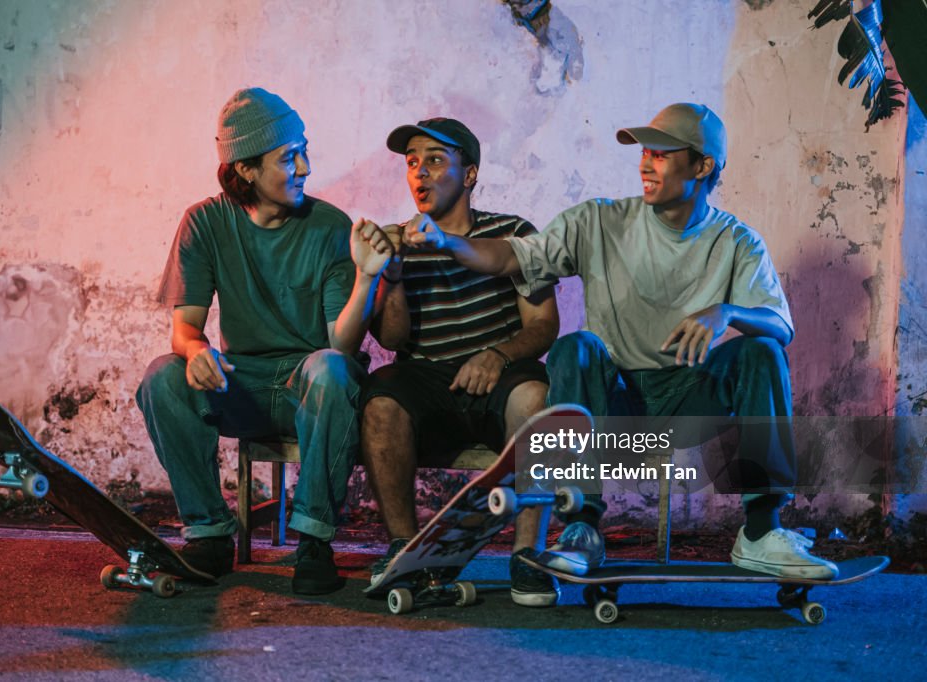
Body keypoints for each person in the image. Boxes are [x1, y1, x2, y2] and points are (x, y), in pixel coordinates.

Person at [405, 103, 838, 580]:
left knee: (761, 349)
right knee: (576, 348)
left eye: (661, 154)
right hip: (615, 403)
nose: (645, 164)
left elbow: (781, 326)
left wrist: (728, 312)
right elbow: (511, 258)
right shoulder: (598, 221)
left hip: (690, 398)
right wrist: (449, 244)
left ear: (702, 166)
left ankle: (759, 531)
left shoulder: (736, 241)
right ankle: (581, 529)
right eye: (643, 153)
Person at [136, 87, 394, 594]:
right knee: (162, 376)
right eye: (288, 157)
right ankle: (210, 533)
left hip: (308, 385)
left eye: (304, 150)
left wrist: (366, 279)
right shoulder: (205, 223)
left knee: (331, 369)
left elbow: (338, 347)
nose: (304, 167)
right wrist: (197, 353)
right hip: (244, 385)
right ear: (246, 170)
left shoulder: (329, 227)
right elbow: (185, 328)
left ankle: (314, 542)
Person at [360, 117, 563, 606]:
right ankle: (403, 552)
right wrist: (392, 273)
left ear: (469, 174)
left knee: (536, 395)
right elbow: (392, 338)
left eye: (435, 160)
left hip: (500, 374)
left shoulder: (513, 231)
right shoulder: (396, 241)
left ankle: (527, 556)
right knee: (380, 399)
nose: (420, 174)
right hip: (429, 378)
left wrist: (496, 355)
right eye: (412, 164)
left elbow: (543, 326)